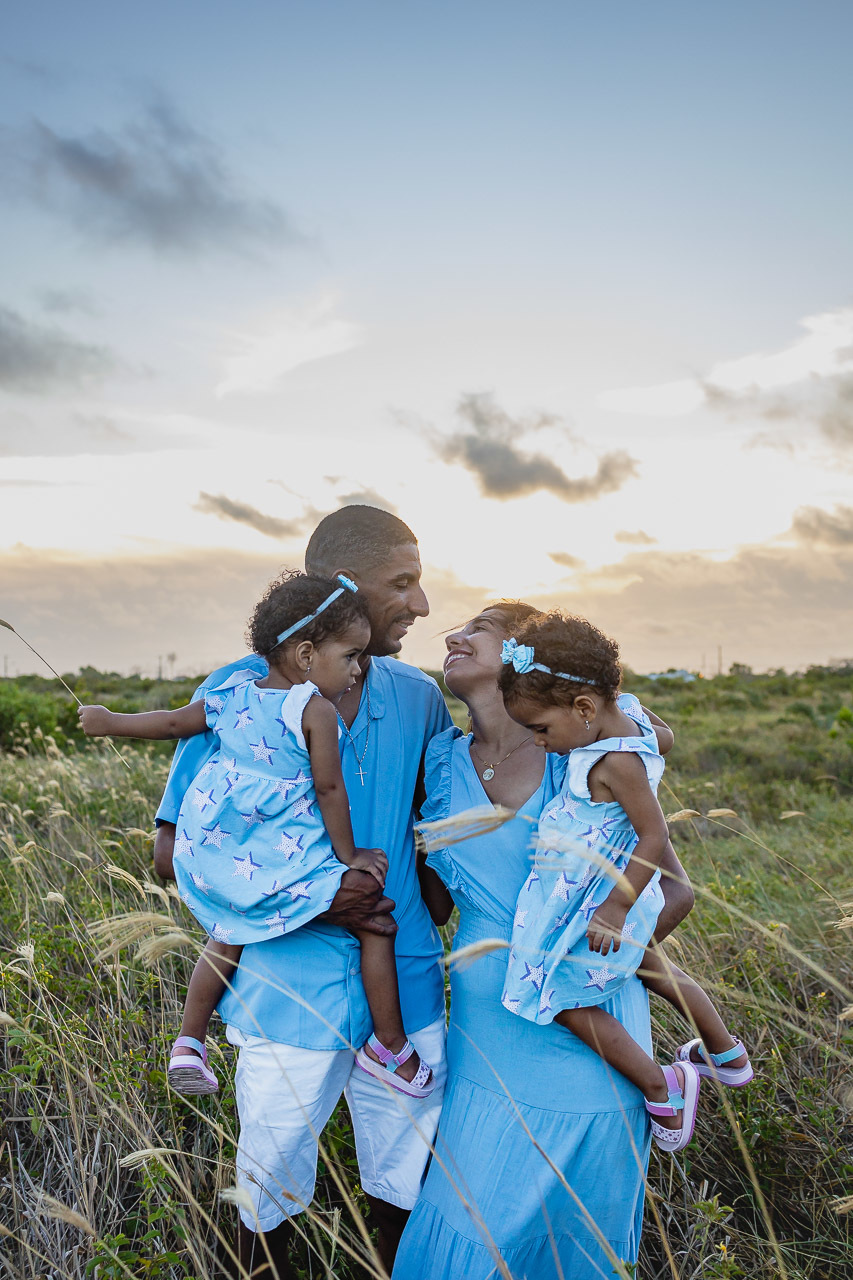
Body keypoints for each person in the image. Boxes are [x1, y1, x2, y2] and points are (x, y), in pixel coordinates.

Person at [152, 507, 452, 1278]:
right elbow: (180, 852)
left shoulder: (418, 698)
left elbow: (442, 822)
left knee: (409, 1184)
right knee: (267, 1188)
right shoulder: (236, 694)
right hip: (287, 988)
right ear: (342, 590)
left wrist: (621, 728)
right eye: (403, 584)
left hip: (407, 982)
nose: (420, 605)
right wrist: (317, 896)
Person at [393, 601, 696, 1280]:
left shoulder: (585, 756)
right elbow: (435, 901)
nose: (452, 635)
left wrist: (589, 966)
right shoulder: (437, 763)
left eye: (480, 627)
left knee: (571, 1241)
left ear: (526, 658)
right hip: (484, 1038)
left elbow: (674, 889)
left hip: (588, 1036)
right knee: (469, 1226)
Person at [78, 570, 434, 1099]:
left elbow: (173, 723)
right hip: (285, 852)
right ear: (307, 655)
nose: (359, 670)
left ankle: (188, 1042)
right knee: (377, 925)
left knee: (227, 935)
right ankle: (388, 1045)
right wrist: (349, 855)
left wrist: (111, 720)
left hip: (224, 851)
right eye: (351, 656)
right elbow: (330, 790)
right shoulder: (314, 709)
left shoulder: (230, 694)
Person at [498, 611, 753, 1155]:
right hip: (599, 891)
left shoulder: (615, 761)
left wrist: (615, 907)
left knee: (562, 997)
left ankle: (663, 1087)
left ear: (585, 708)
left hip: (605, 896)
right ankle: (725, 1055)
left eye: (542, 730)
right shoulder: (629, 718)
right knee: (655, 968)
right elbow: (665, 735)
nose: (541, 744)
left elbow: (654, 833)